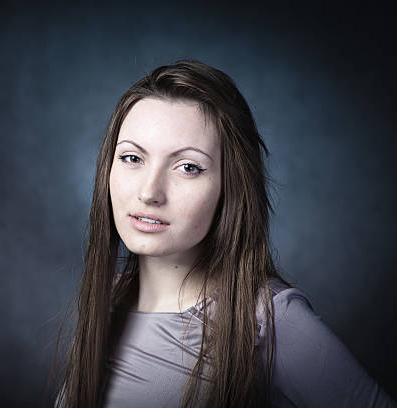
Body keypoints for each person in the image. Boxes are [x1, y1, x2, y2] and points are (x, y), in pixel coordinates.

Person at [52, 60, 395, 407]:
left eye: (188, 167)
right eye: (131, 158)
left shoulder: (268, 319)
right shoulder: (108, 297)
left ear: (230, 187)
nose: (149, 192)